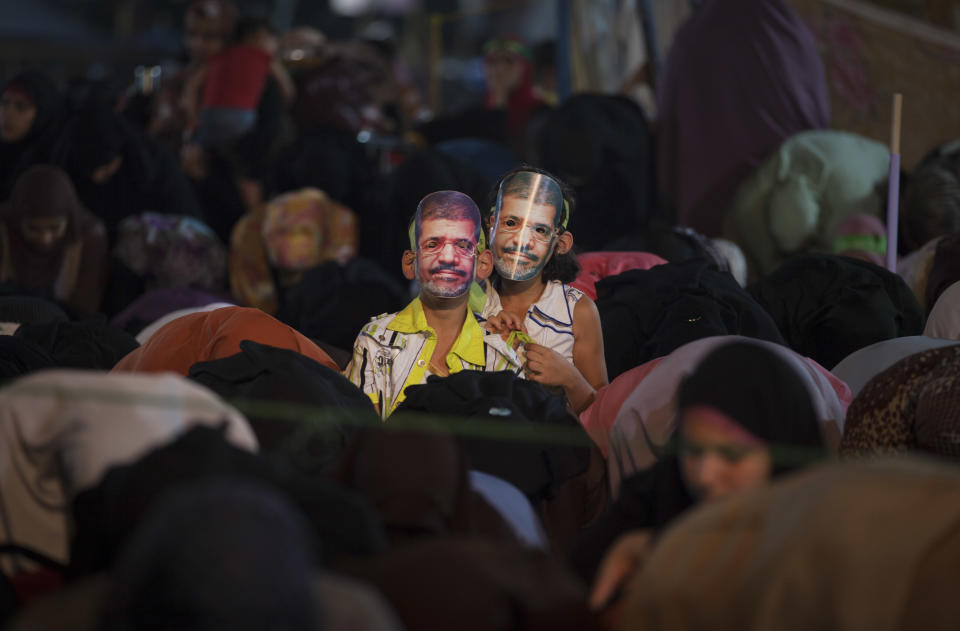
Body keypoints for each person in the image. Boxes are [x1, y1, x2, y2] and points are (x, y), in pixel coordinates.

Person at [573, 342, 827, 603]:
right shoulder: (647, 507)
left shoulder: (831, 554)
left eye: (732, 455)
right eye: (692, 450)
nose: (705, 475)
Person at [345, 190, 522, 419]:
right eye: (432, 244)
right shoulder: (376, 340)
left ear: (484, 264)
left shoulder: (499, 355)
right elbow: (365, 435)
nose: (448, 257)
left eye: (462, 245)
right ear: (411, 263)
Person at [480, 167, 607, 413]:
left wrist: (571, 380)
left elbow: (603, 414)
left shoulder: (578, 311)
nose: (521, 241)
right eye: (510, 223)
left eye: (539, 230)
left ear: (560, 243)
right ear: (490, 227)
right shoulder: (468, 302)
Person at [0, 165, 108, 317]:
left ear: (68, 221)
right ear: (18, 220)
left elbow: (85, 309)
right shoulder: (4, 231)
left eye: (54, 228)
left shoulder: (88, 237)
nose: (45, 239)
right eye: (33, 228)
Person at [184, 17, 294, 148]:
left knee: (206, 146)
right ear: (258, 37)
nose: (276, 45)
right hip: (242, 117)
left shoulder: (219, 56)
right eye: (273, 40)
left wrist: (194, 118)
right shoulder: (265, 58)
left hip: (209, 115)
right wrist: (286, 107)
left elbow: (192, 87)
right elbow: (287, 88)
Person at [0, 70, 65, 201]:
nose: (8, 113)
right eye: (5, 102)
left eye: (21, 107)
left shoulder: (51, 168)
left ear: (42, 115)